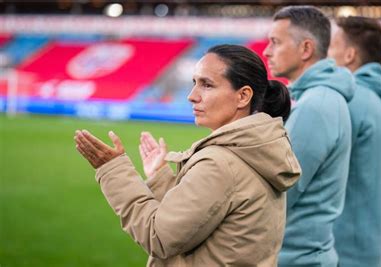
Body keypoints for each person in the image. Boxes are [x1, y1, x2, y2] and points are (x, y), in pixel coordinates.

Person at [74, 44, 301, 266]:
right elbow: (201, 218)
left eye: (207, 85)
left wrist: (113, 170)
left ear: (243, 96)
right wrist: (161, 176)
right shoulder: (256, 151)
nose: (192, 96)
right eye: (194, 83)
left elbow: (159, 238)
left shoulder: (220, 164)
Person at [263, 6, 354, 266]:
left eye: (275, 42)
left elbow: (280, 193)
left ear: (305, 49)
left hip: (298, 258)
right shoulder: (316, 98)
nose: (266, 51)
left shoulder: (316, 105)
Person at [328, 16, 381, 267]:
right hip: (367, 243)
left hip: (344, 247)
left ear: (349, 55)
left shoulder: (353, 98)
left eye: (331, 46)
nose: (326, 53)